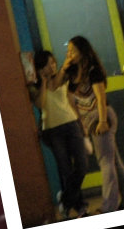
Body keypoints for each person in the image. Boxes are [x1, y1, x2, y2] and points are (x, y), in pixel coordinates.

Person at [64, 35, 124, 212]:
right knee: (114, 162)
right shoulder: (73, 73)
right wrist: (64, 67)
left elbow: (100, 97)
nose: (69, 53)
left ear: (82, 51)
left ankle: (108, 207)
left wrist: (103, 121)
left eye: (73, 50)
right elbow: (65, 93)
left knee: (106, 162)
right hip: (90, 120)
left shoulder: (93, 70)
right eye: (68, 50)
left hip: (101, 118)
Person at [27, 49, 89, 219]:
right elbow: (40, 104)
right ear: (40, 68)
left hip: (71, 125)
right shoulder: (35, 86)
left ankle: (66, 199)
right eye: (47, 64)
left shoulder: (61, 77)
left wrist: (81, 124)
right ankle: (81, 207)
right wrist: (43, 82)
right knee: (66, 170)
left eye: (53, 62)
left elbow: (69, 99)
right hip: (52, 131)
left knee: (82, 165)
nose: (52, 66)